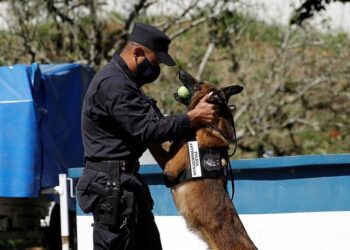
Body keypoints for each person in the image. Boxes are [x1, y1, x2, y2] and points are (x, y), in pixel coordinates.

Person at [76, 22, 218, 250]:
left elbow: (156, 124)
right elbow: (148, 130)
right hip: (111, 186)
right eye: (156, 60)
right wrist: (193, 117)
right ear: (138, 52)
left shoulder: (126, 84)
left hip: (127, 184)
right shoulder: (113, 84)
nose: (157, 67)